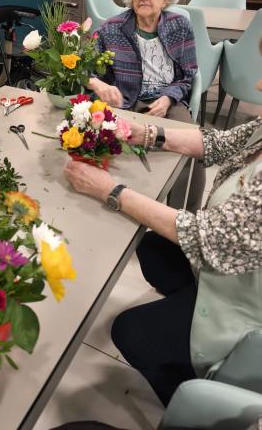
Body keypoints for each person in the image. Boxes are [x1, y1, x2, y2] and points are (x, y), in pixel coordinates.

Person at [64, 57, 262, 406]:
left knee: (130, 332)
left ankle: (201, 403)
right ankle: (186, 302)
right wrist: (145, 133)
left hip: (248, 304)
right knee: (152, 246)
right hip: (231, 263)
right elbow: (219, 142)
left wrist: (111, 191)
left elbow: (205, 237)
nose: (258, 85)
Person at [88, 0, 204, 211]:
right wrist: (97, 83)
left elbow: (188, 75)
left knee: (193, 149)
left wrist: (169, 98)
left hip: (167, 101)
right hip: (125, 100)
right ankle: (117, 208)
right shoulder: (111, 28)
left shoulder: (180, 26)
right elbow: (84, 68)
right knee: (102, 148)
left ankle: (184, 217)